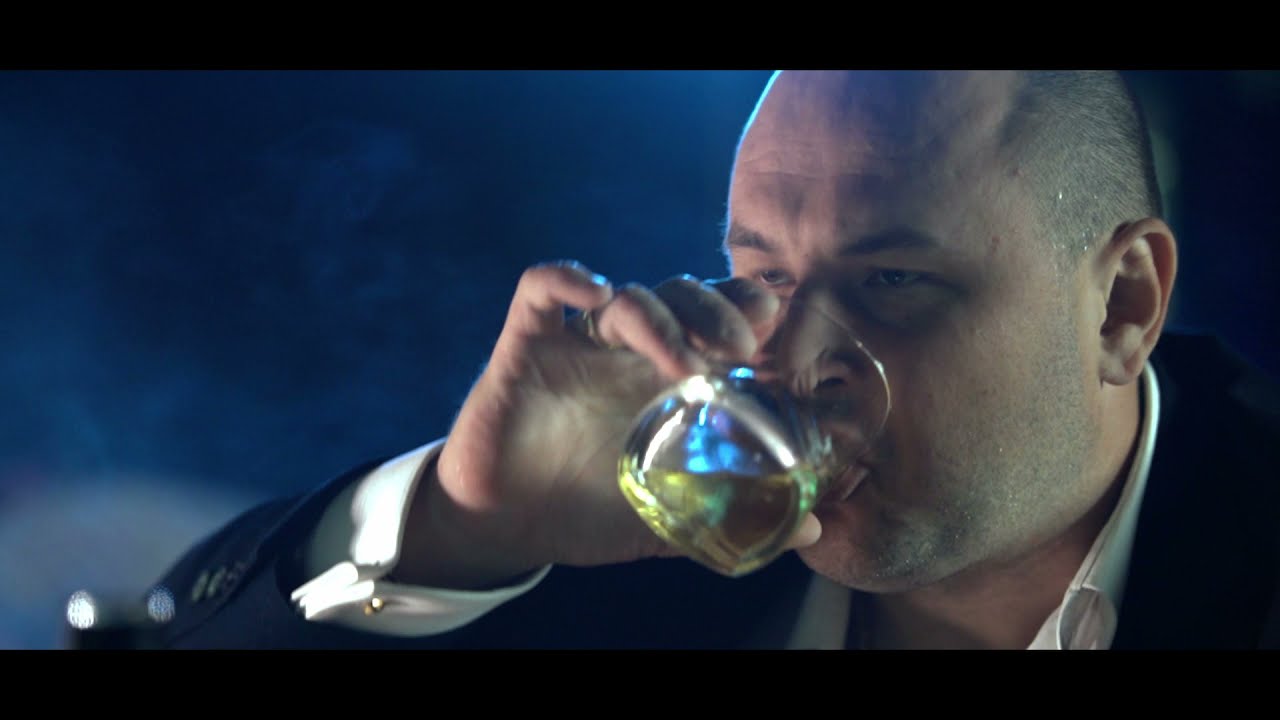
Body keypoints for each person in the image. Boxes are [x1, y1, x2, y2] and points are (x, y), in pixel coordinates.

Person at [139, 70, 1280, 650]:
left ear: (1122, 305)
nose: (798, 359)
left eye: (893, 280)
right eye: (765, 277)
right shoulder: (629, 550)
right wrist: (464, 521)